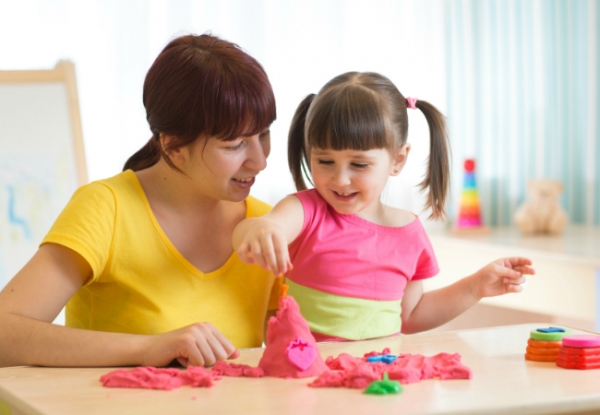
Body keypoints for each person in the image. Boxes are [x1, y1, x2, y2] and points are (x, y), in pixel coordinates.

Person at [0, 34, 281, 368]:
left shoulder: (266, 227)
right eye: (235, 145)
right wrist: (149, 349)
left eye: (263, 134)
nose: (260, 161)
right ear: (174, 146)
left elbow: (291, 353)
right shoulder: (107, 209)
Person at [233, 71, 534, 341]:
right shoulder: (305, 211)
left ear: (398, 159)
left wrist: (475, 287)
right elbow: (265, 227)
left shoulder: (409, 233)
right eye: (325, 161)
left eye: (359, 164)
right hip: (305, 380)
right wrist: (262, 228)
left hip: (379, 381)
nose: (340, 179)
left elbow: (411, 316)